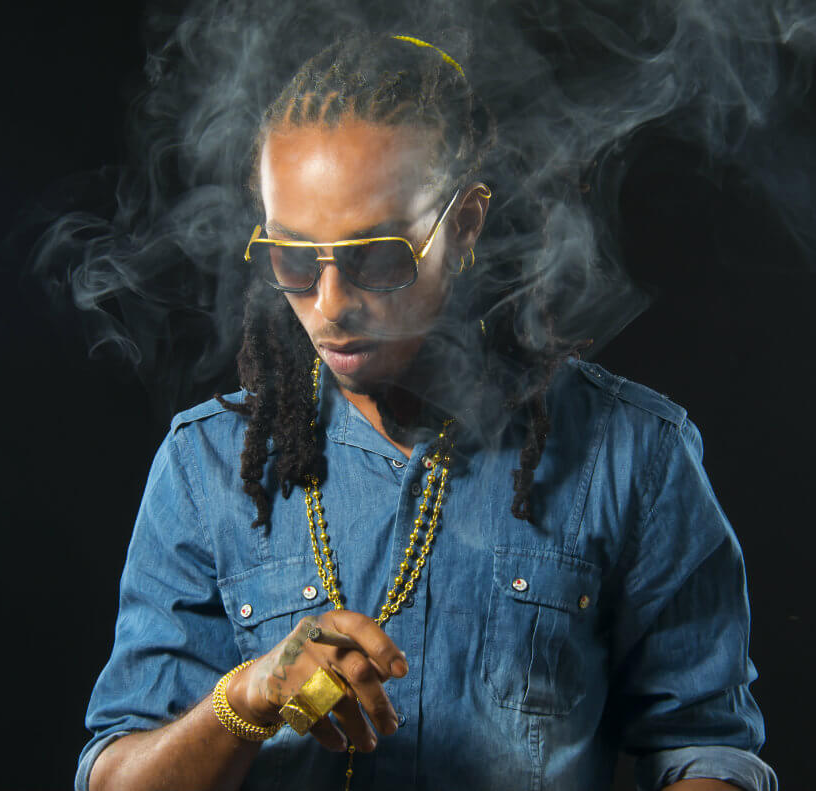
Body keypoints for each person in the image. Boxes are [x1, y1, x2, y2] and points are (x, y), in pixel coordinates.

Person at [76, 33, 778, 791]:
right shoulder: (204, 468)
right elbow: (115, 778)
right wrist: (248, 697)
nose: (331, 305)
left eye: (377, 256)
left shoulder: (629, 455)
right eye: (294, 259)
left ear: (465, 225)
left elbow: (706, 747)